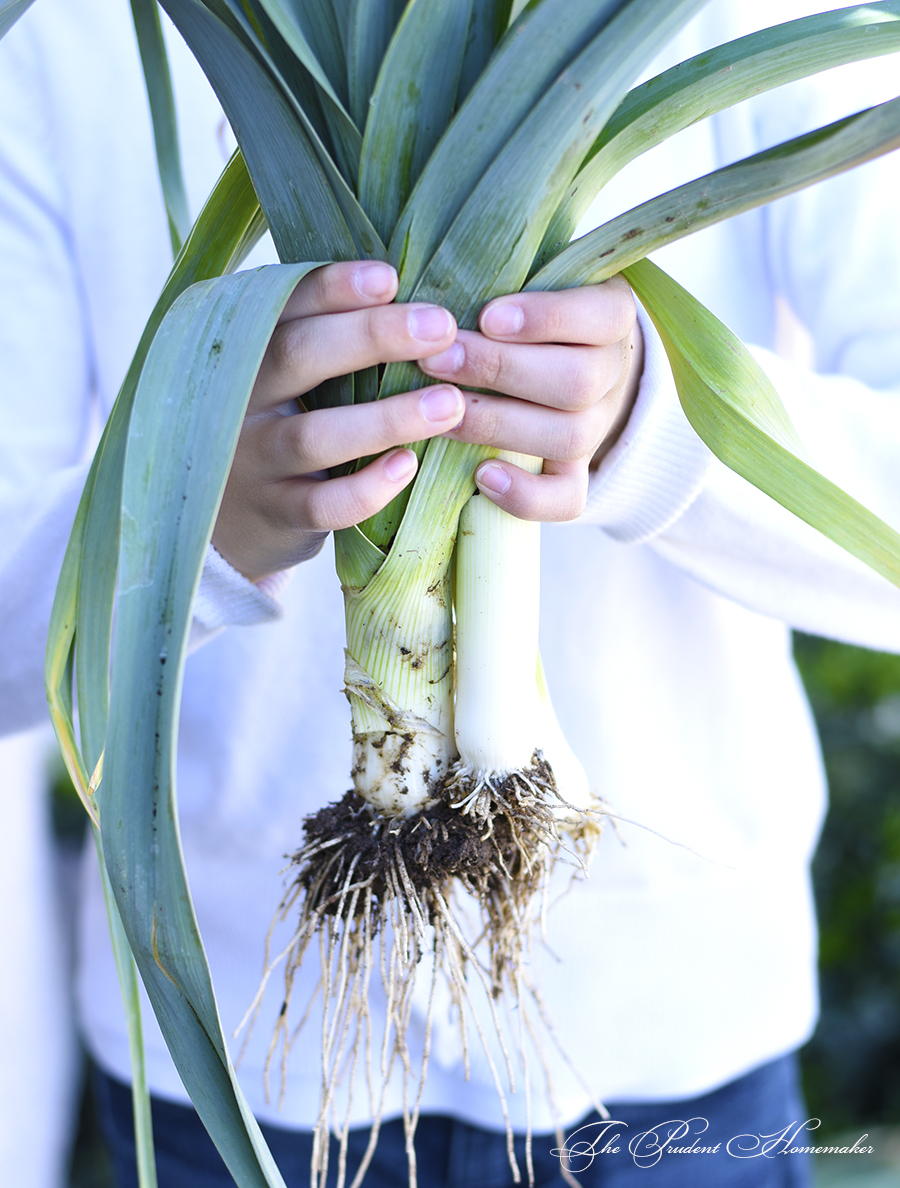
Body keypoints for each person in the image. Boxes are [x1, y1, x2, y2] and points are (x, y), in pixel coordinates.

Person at [0, 0, 899, 1186]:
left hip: (675, 1068)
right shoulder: (67, 39)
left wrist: (653, 430)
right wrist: (188, 516)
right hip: (235, 1065)